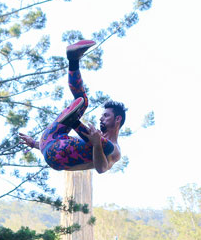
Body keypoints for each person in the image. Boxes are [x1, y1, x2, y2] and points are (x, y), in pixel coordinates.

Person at [19, 40, 125, 174]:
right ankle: (73, 59)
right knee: (83, 101)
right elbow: (57, 147)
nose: (101, 118)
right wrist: (35, 143)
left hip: (57, 156)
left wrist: (97, 144)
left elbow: (101, 168)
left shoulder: (115, 151)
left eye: (106, 115)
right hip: (49, 140)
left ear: (117, 119)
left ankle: (73, 122)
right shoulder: (93, 138)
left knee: (106, 146)